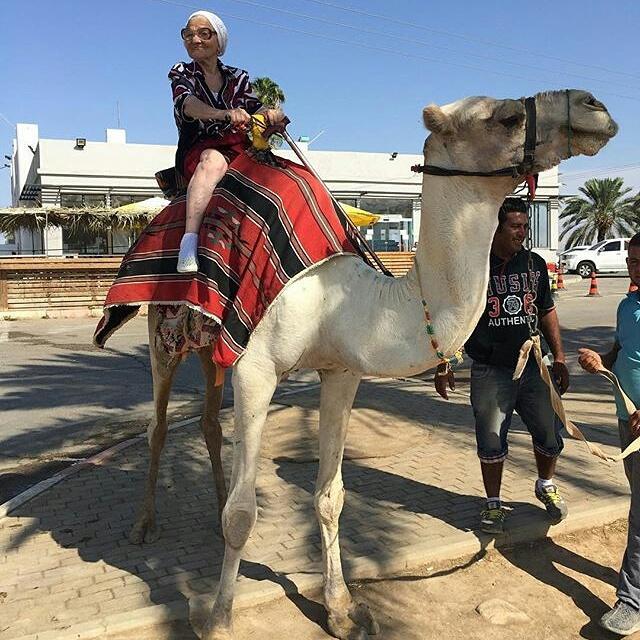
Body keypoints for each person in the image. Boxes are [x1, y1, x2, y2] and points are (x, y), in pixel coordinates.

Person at [435, 197, 570, 534]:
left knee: (550, 432)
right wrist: (444, 362)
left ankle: (545, 485)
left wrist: (561, 358)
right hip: (490, 371)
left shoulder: (534, 265)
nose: (522, 233)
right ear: (495, 228)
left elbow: (547, 310)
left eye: (525, 226)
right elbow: (454, 316)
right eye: (515, 226)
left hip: (534, 368)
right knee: (492, 440)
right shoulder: (473, 267)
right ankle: (493, 504)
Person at [169, 10, 285, 273]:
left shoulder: (239, 78)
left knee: (289, 179)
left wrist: (272, 114)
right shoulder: (181, 72)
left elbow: (257, 108)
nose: (195, 39)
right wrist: (224, 114)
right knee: (213, 161)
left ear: (219, 43)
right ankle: (189, 242)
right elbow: (187, 104)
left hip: (241, 149)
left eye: (203, 33)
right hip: (200, 149)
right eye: (188, 34)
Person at [578, 231, 640, 636]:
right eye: (633, 262)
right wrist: (601, 360)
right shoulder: (626, 305)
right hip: (627, 420)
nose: (636, 269)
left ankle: (631, 600)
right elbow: (623, 350)